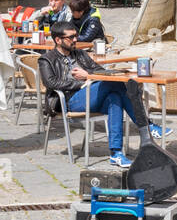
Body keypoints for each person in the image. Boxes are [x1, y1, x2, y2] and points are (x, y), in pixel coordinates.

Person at [37, 21, 169, 168]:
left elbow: (102, 71)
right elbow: (51, 83)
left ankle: (116, 154)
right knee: (114, 83)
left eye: (76, 35)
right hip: (68, 100)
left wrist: (88, 75)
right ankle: (147, 125)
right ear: (58, 40)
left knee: (115, 98)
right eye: (71, 37)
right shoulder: (46, 59)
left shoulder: (80, 54)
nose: (75, 40)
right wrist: (83, 82)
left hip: (92, 95)